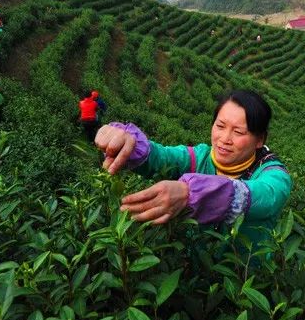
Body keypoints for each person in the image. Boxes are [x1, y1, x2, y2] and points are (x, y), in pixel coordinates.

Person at [94, 90, 292, 251]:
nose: (225, 138)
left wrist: (192, 193)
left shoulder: (274, 174)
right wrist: (128, 142)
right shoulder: (199, 157)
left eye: (238, 132)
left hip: (244, 282)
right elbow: (160, 157)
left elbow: (264, 195)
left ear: (259, 140)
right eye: (220, 126)